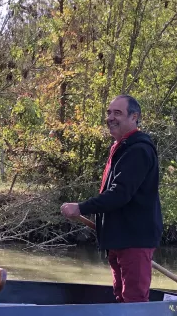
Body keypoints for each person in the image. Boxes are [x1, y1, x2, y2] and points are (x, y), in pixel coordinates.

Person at [59, 95, 163, 303]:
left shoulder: (139, 150)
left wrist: (81, 207)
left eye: (118, 113)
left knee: (134, 299)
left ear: (134, 117)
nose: (110, 118)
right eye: (108, 112)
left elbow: (119, 194)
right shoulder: (121, 147)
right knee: (120, 296)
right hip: (118, 238)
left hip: (135, 238)